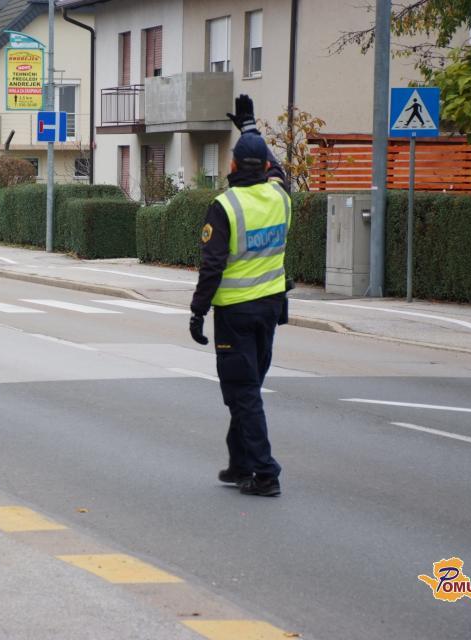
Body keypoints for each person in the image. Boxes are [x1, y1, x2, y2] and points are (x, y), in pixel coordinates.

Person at [188, 94, 291, 497]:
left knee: (243, 393)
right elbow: (278, 169)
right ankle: (240, 464)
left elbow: (211, 266)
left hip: (234, 314)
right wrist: (249, 128)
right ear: (263, 167)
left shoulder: (225, 206)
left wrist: (197, 312)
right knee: (247, 389)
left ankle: (265, 473)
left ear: (231, 166)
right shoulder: (280, 196)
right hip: (271, 309)